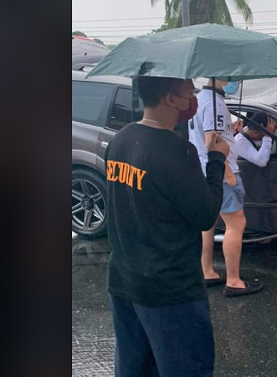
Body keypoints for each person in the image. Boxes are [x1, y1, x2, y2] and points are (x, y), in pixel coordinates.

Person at [105, 76, 230, 377]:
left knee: (134, 368)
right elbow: (204, 216)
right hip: (170, 289)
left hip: (124, 279)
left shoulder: (119, 139)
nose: (193, 98)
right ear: (171, 99)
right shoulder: (176, 151)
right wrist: (216, 160)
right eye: (189, 92)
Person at [189, 79, 265, 297]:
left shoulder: (199, 99)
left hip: (202, 171)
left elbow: (209, 134)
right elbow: (211, 140)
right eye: (231, 77)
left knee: (208, 223)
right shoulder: (215, 103)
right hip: (220, 173)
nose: (235, 82)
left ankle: (207, 272)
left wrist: (230, 130)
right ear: (217, 77)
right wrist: (229, 174)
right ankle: (233, 281)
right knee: (236, 224)